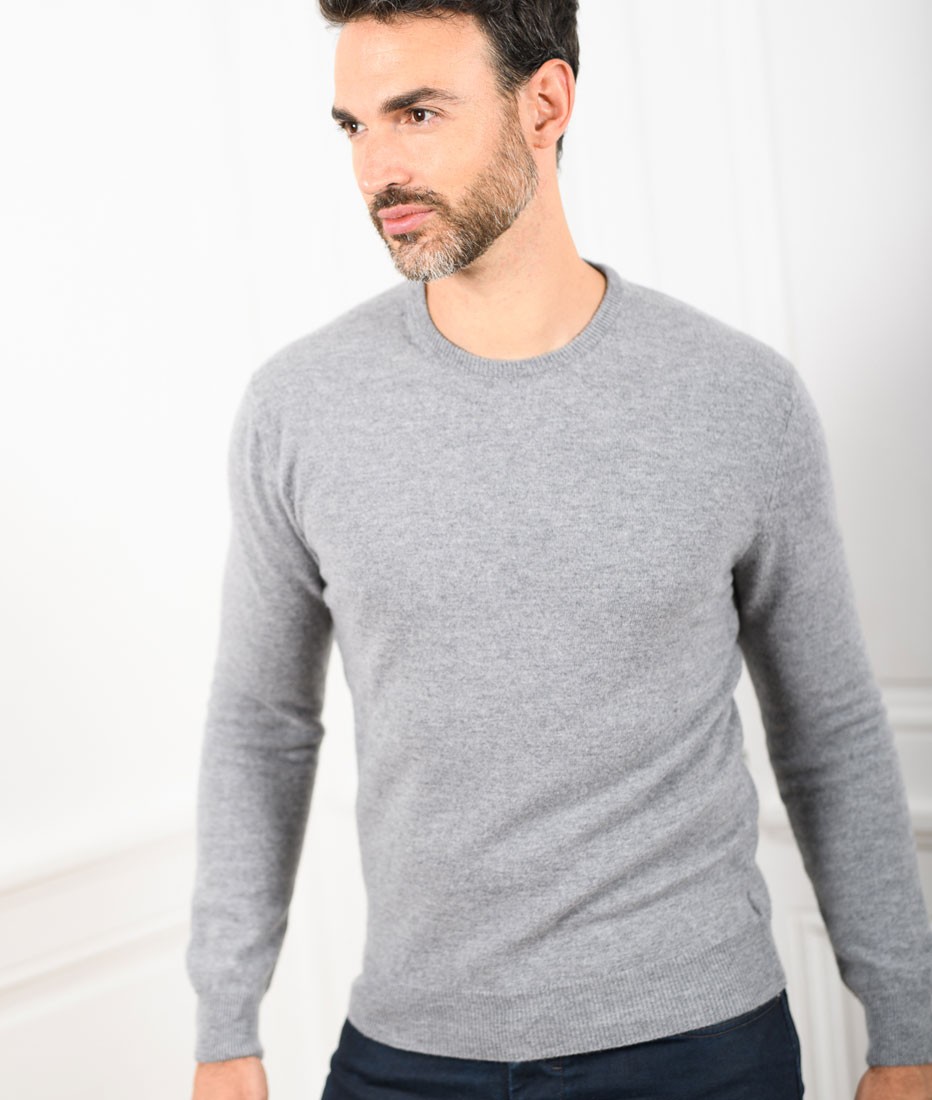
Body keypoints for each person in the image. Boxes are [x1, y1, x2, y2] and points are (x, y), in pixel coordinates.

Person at [185, 2, 932, 1098]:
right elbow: (261, 727)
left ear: (544, 104)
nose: (376, 168)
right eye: (354, 125)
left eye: (417, 113)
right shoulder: (297, 410)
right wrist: (224, 1026)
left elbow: (828, 728)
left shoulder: (736, 400)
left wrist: (907, 1032)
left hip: (700, 1050)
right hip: (410, 1050)